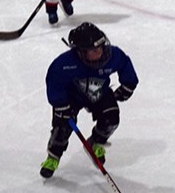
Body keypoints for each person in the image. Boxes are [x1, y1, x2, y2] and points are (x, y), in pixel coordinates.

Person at [40, 22, 139, 178]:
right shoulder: (64, 64)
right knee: (62, 128)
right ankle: (53, 156)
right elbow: (55, 83)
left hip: (99, 92)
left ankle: (95, 143)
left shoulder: (112, 55)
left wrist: (128, 85)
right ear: (81, 51)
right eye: (94, 50)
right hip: (71, 98)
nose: (100, 52)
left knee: (111, 119)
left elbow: (124, 63)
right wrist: (60, 104)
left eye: (101, 46)